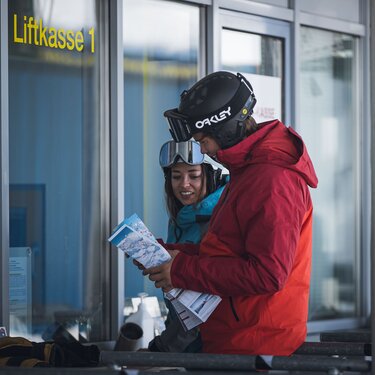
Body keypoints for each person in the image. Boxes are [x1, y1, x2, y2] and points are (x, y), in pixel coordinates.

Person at [143, 71, 318, 356]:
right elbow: (227, 251)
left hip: (256, 346)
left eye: (203, 140)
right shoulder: (248, 172)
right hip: (233, 338)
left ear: (223, 130)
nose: (201, 148)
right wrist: (169, 254)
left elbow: (267, 274)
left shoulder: (273, 180)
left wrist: (182, 270)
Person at [147, 139, 228, 353]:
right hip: (185, 342)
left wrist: (163, 350)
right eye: (176, 176)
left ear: (210, 177)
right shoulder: (179, 220)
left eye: (194, 176)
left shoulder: (218, 220)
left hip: (210, 344)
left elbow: (202, 304)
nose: (184, 184)